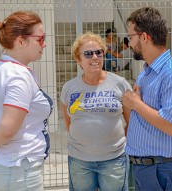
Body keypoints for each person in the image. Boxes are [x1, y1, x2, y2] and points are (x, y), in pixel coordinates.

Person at [0, 11, 53, 191]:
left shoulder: (1, 68)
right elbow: (8, 128)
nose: (44, 44)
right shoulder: (18, 76)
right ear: (20, 41)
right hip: (18, 170)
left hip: (8, 167)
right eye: (40, 39)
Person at [123, 7, 172, 191]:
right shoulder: (147, 73)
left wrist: (136, 104)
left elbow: (171, 126)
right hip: (147, 168)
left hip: (160, 169)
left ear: (145, 37)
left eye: (130, 37)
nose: (129, 43)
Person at [60, 31, 132, 191]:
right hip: (80, 161)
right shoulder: (69, 88)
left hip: (113, 160)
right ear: (78, 59)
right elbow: (69, 122)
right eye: (88, 53)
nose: (94, 57)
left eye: (98, 52)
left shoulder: (120, 84)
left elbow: (130, 121)